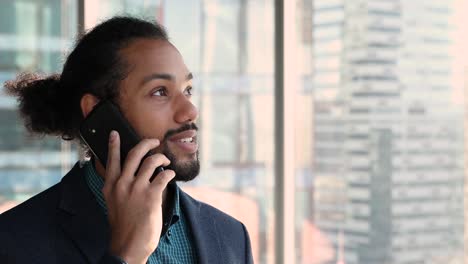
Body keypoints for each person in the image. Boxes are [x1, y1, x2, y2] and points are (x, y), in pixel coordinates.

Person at [0, 16, 253, 264]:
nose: (189, 111)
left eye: (187, 90)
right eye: (160, 92)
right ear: (98, 112)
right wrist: (126, 255)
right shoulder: (14, 242)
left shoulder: (231, 238)